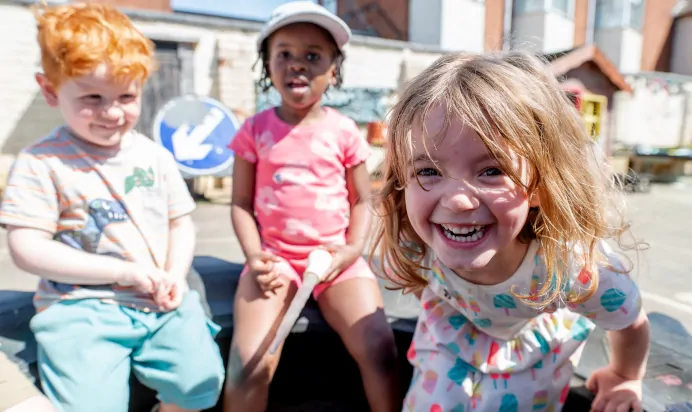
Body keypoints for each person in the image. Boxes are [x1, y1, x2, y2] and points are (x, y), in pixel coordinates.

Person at [371, 51, 650, 412]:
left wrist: (626, 377)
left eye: (490, 170)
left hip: (533, 343)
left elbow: (630, 321)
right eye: (427, 171)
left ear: (539, 184)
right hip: (452, 330)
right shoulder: (415, 241)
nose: (457, 201)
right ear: (402, 181)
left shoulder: (571, 266)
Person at [0, 3, 225, 411]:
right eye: (92, 97)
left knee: (202, 385)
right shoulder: (41, 162)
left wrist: (174, 274)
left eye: (126, 95)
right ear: (50, 90)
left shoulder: (154, 156)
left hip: (162, 302)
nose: (113, 112)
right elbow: (27, 247)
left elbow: (180, 223)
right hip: (80, 308)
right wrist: (121, 272)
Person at [223, 2, 400, 411]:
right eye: (284, 53)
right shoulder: (253, 131)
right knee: (248, 364)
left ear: (333, 70)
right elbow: (239, 203)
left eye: (313, 56)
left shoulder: (344, 132)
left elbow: (361, 200)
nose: (297, 65)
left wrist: (354, 250)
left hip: (337, 261)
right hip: (275, 262)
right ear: (267, 65)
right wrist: (256, 255)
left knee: (380, 350)